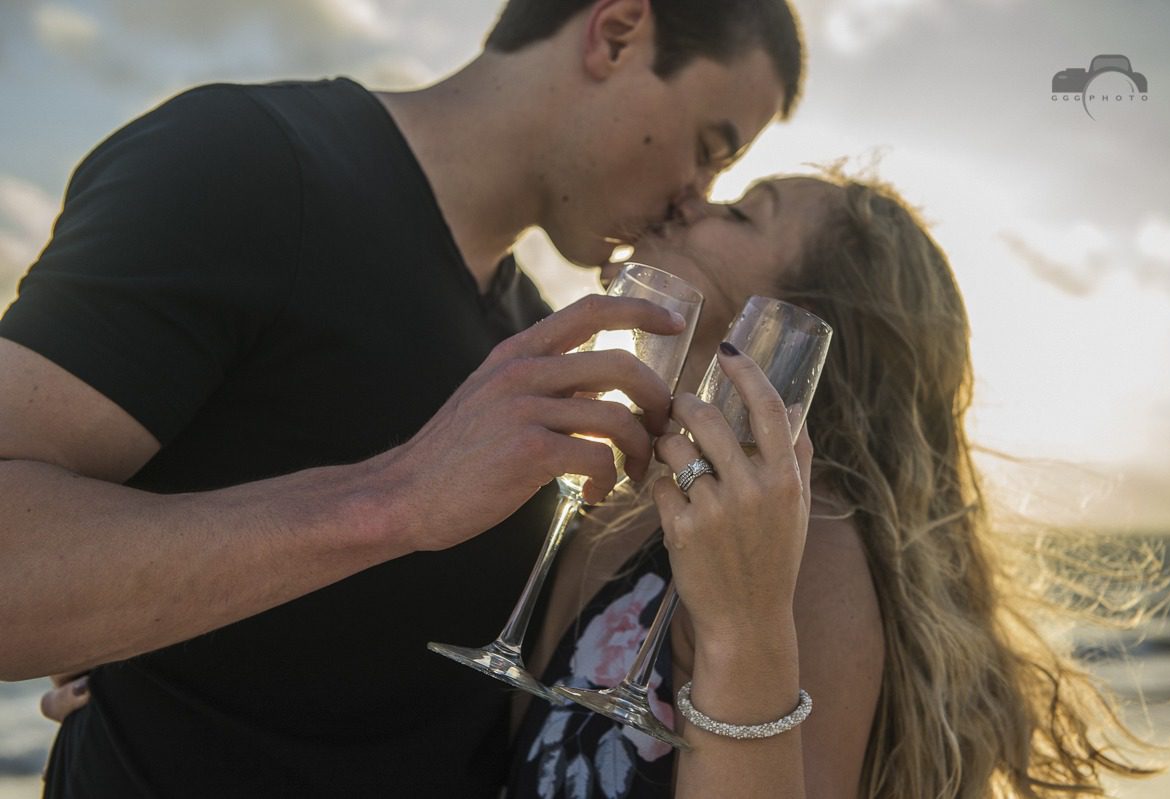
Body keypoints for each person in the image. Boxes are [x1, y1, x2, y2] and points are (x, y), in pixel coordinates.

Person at [0, 0, 804, 795]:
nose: (694, 195)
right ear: (618, 32)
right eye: (709, 149)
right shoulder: (240, 161)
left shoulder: (531, 338)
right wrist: (392, 496)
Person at [506, 172, 1164, 797]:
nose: (690, 201)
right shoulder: (628, 499)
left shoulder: (807, 555)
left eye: (740, 213)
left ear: (792, 323)